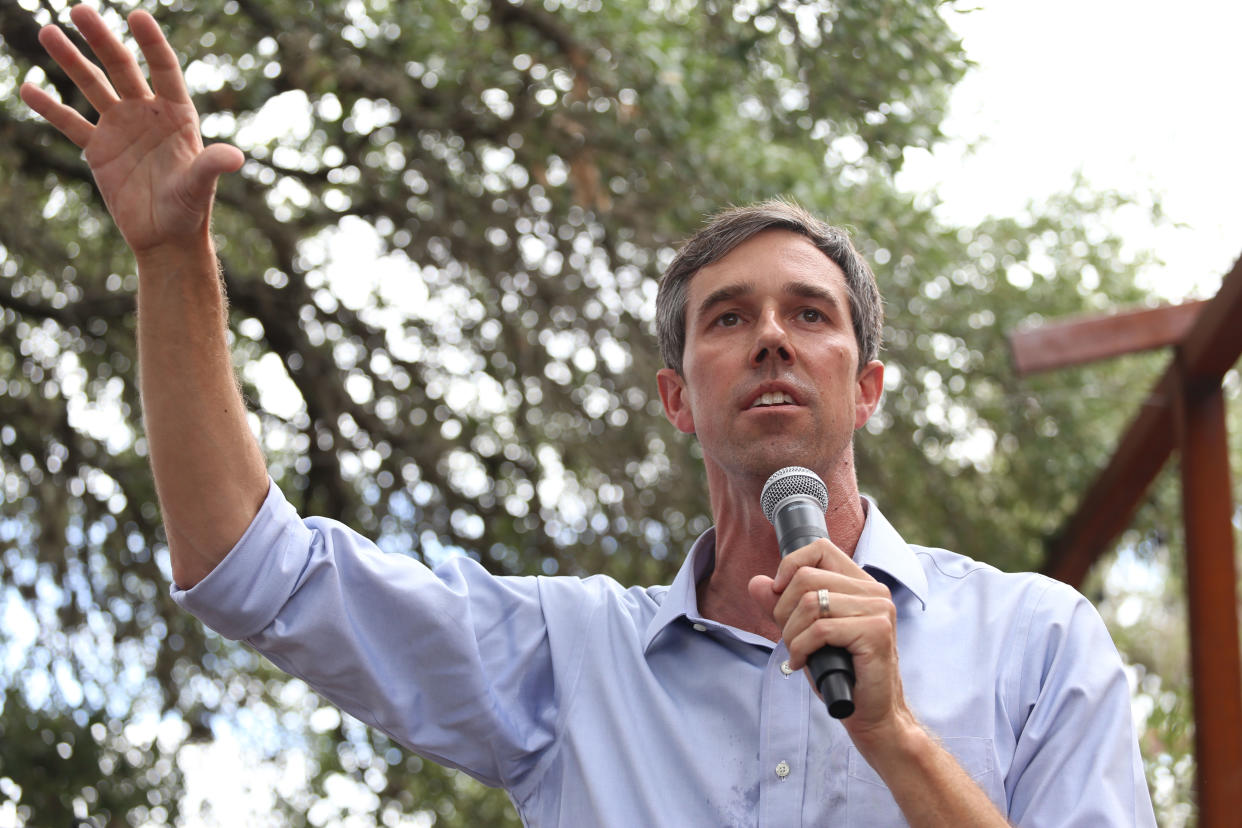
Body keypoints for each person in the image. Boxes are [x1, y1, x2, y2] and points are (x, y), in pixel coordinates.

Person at [20, 7, 1156, 826]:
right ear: (677, 400)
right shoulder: (569, 662)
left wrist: (897, 740)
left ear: (865, 387)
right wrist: (171, 256)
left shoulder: (1037, 645)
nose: (770, 336)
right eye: (726, 320)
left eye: (810, 314)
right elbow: (248, 568)